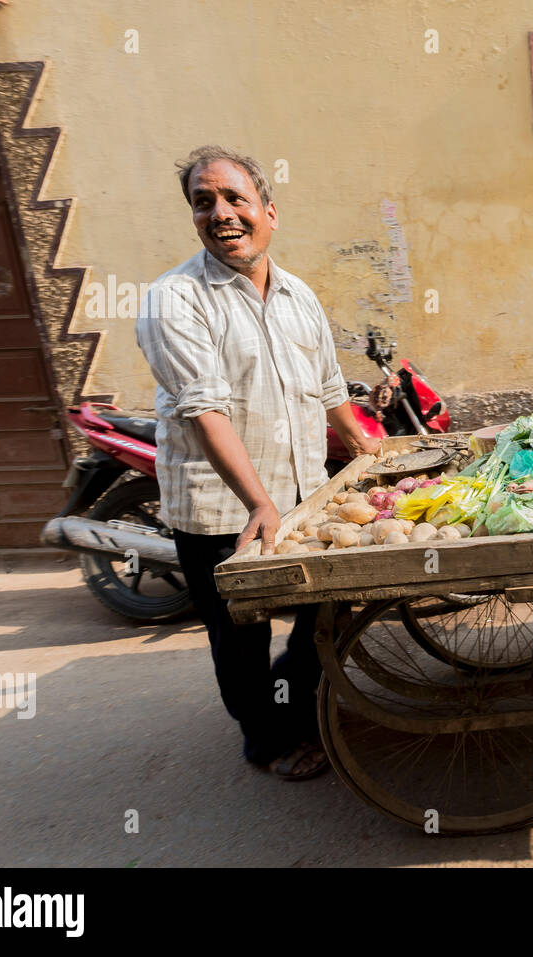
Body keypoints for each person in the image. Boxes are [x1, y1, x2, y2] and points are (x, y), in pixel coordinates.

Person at [135, 145, 379, 780]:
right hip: (223, 506)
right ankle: (265, 741)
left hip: (302, 495)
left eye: (234, 198)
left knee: (330, 606)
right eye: (203, 202)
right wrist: (258, 503)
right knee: (240, 633)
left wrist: (364, 446)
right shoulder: (175, 299)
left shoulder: (299, 294)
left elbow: (329, 387)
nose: (220, 213)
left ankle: (291, 701)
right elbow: (204, 407)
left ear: (269, 212)